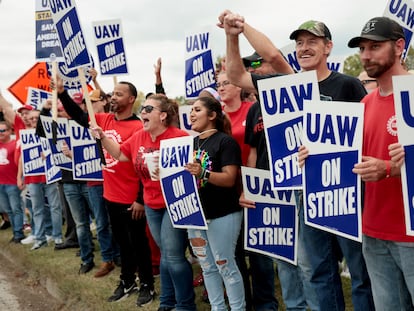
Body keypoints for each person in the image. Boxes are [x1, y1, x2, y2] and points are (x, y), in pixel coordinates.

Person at [219, 11, 374, 311]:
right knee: (317, 272)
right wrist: (230, 36)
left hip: (345, 192)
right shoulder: (286, 85)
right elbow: (237, 75)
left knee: (359, 272)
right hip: (305, 193)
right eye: (300, 43)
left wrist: (243, 25)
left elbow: (366, 136)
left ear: (328, 47)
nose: (304, 48)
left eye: (312, 41)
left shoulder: (347, 86)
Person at [55, 77, 155, 306]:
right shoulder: (105, 119)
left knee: (139, 243)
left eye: (119, 94)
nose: (113, 96)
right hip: (111, 195)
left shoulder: (139, 127)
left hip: (133, 198)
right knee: (123, 243)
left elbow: (142, 166)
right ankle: (127, 280)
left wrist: (140, 199)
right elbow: (80, 116)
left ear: (131, 99)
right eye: (113, 92)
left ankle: (147, 284)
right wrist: (61, 93)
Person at [93, 94, 196, 311]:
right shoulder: (139, 136)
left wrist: (168, 170)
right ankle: (167, 302)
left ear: (163, 115)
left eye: (149, 108)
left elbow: (191, 172)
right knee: (166, 255)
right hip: (152, 203)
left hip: (173, 203)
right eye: (144, 108)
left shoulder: (179, 136)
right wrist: (102, 136)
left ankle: (186, 304)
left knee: (173, 255)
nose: (144, 112)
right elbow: (120, 154)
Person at [348, 16, 414, 310]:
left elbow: (390, 165)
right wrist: (313, 158)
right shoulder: (365, 103)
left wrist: (389, 168)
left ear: (399, 46)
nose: (365, 55)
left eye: (374, 47)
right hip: (373, 230)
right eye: (362, 48)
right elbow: (352, 159)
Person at [184, 96, 245, 310]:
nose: (191, 114)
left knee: (225, 265)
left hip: (223, 214)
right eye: (191, 109)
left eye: (197, 110)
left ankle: (238, 308)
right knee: (207, 267)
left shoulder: (225, 142)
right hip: (196, 215)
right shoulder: (189, 144)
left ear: (212, 115)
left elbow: (229, 179)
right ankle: (218, 308)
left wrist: (203, 173)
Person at [0, 120, 24, 243]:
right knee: (8, 210)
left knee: (16, 209)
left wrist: (20, 178)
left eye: (3, 130)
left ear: (10, 131)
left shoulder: (15, 144)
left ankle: (18, 234)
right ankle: (15, 232)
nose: (0, 133)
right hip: (0, 183)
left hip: (12, 182)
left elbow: (21, 162)